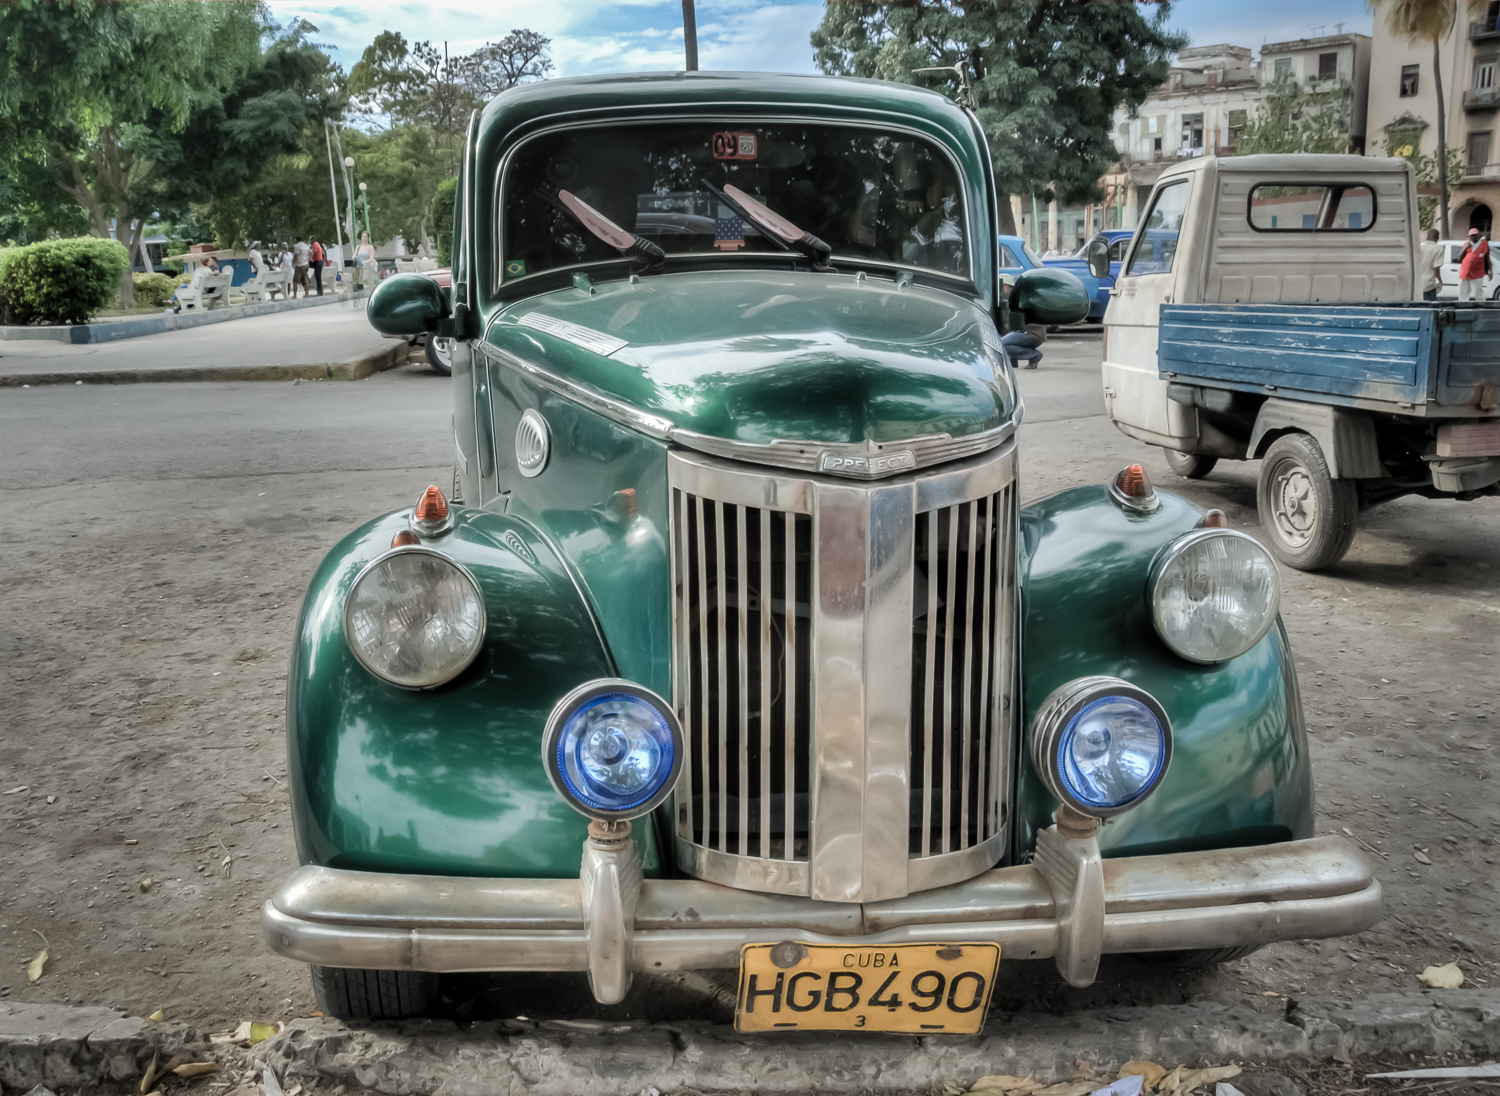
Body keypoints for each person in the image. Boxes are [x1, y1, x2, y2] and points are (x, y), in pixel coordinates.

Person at [1458, 227, 1489, 302]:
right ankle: (1463, 309)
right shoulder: (1466, 245)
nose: (1472, 237)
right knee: (1463, 294)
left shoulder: (1485, 245)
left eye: (1474, 235)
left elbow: (1487, 260)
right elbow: (1459, 258)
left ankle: (1482, 308)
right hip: (1464, 273)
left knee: (1478, 294)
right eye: (1470, 236)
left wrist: (1489, 271)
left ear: (1478, 236)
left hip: (1477, 274)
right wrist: (1466, 248)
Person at [1419, 228, 1444, 302]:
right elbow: (1436, 268)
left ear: (1426, 237)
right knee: (1429, 308)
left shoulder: (1420, 247)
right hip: (1428, 285)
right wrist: (1440, 281)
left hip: (1417, 284)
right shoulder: (1439, 249)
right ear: (1437, 238)